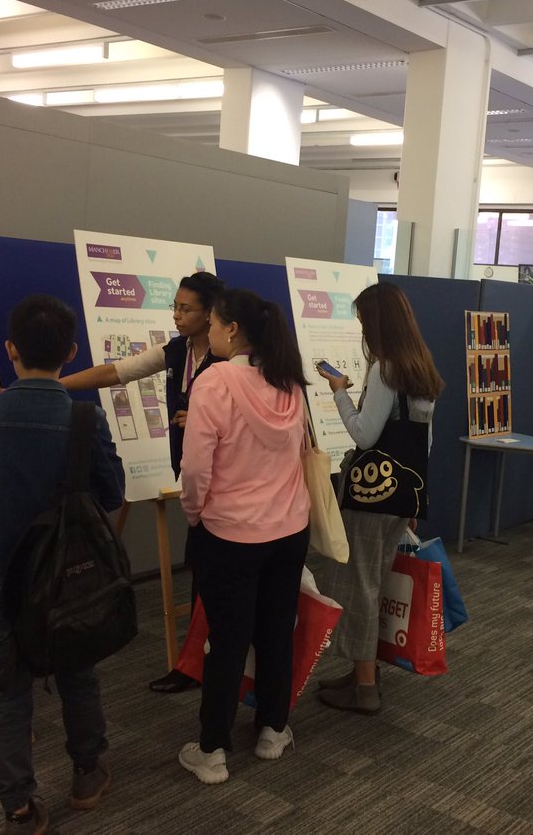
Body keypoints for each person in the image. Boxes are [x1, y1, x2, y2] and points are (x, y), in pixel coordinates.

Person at [0, 294, 125, 834]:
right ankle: (86, 772)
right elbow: (112, 492)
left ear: (10, 350)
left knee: (6, 691)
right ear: (71, 352)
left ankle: (19, 808)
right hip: (69, 575)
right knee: (78, 671)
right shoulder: (86, 418)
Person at [60, 270, 225, 694]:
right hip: (193, 476)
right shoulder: (176, 352)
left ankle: (203, 665)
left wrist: (209, 419)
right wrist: (54, 386)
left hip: (228, 484)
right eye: (174, 306)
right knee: (204, 572)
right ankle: (198, 661)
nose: (176, 315)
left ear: (211, 313)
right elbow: (117, 372)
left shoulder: (235, 359)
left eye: (185, 309)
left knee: (215, 576)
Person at [176, 288, 310, 785]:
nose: (206, 331)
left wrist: (195, 515)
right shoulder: (289, 381)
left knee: (226, 641)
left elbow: (195, 469)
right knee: (276, 632)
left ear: (232, 329)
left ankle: (213, 751)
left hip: (229, 533)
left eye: (211, 323)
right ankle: (274, 729)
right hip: (289, 529)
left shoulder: (215, 382)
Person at [315, 282, 443, 715]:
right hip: (405, 494)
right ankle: (359, 673)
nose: (363, 331)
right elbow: (425, 445)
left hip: (371, 497)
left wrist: (338, 392)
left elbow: (364, 434)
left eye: (364, 322)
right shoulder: (421, 368)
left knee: (362, 586)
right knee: (374, 581)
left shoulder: (384, 370)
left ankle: (365, 686)